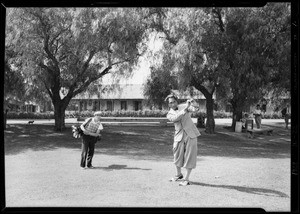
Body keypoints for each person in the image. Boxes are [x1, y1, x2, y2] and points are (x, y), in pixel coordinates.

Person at [165, 94, 201, 186]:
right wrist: (186, 109)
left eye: (174, 102)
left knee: (190, 156)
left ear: (177, 101)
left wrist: (194, 103)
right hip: (179, 136)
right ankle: (178, 174)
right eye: (170, 103)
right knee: (177, 155)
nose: (172, 104)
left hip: (191, 134)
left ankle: (186, 178)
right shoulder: (169, 114)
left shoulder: (184, 106)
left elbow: (195, 109)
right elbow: (175, 118)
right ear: (168, 104)